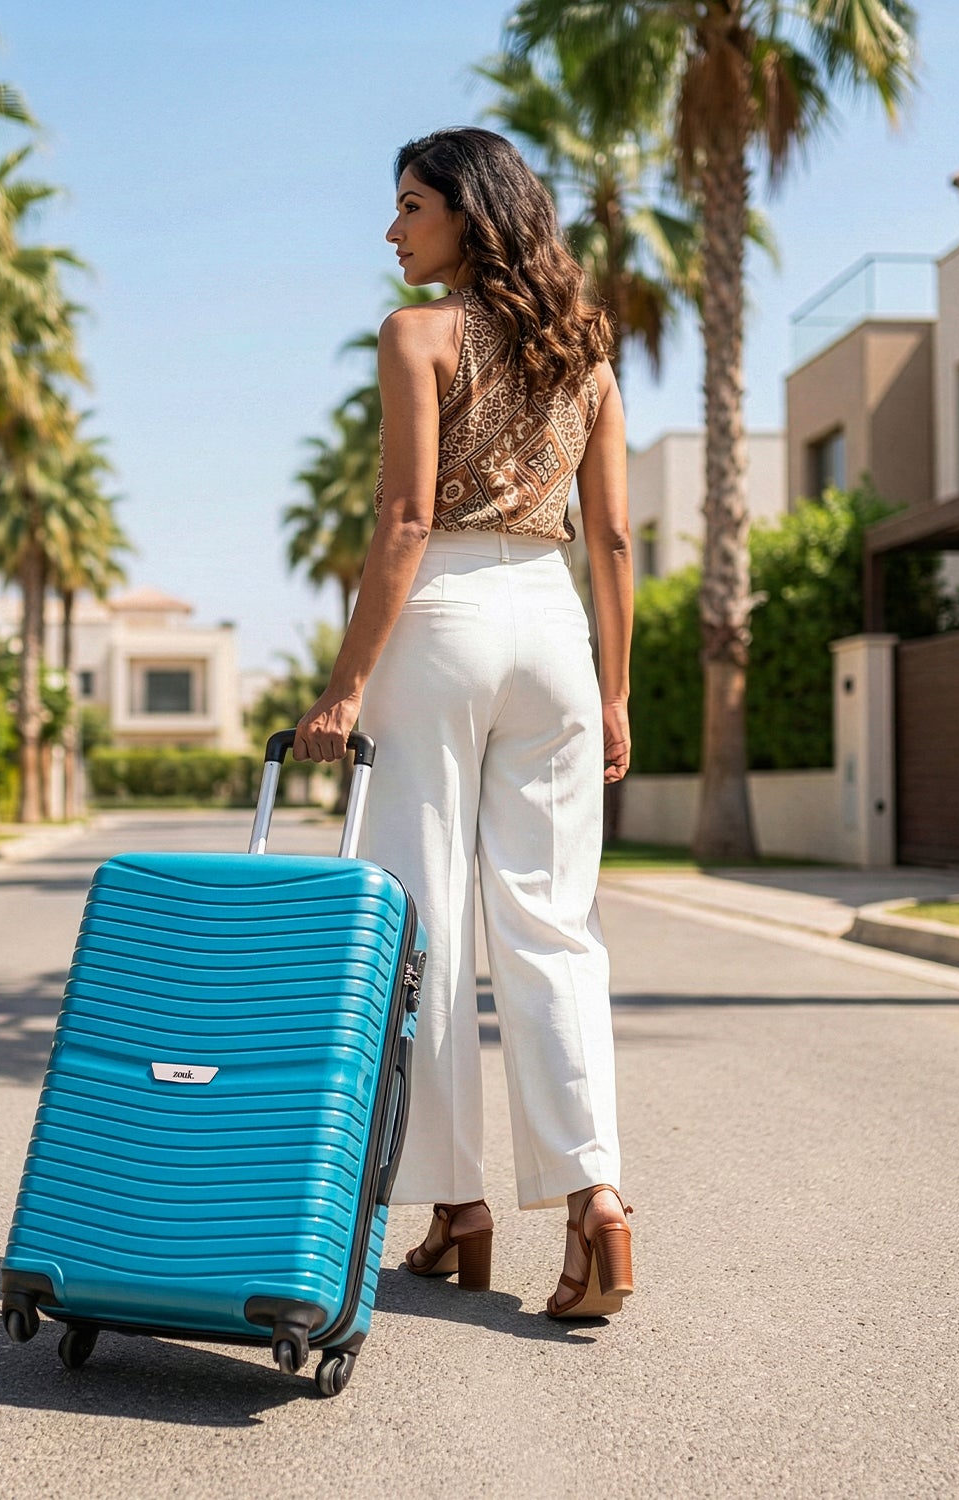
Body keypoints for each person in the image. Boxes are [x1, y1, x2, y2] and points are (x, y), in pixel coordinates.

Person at [291, 127, 634, 1319]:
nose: (392, 232)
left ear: (468, 215)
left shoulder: (418, 336)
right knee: (552, 924)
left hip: (440, 618)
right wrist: (619, 690)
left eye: (410, 206)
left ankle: (455, 1205)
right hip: (554, 631)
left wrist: (341, 688)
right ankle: (595, 1201)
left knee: (417, 917)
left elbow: (400, 519)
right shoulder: (586, 354)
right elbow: (616, 540)